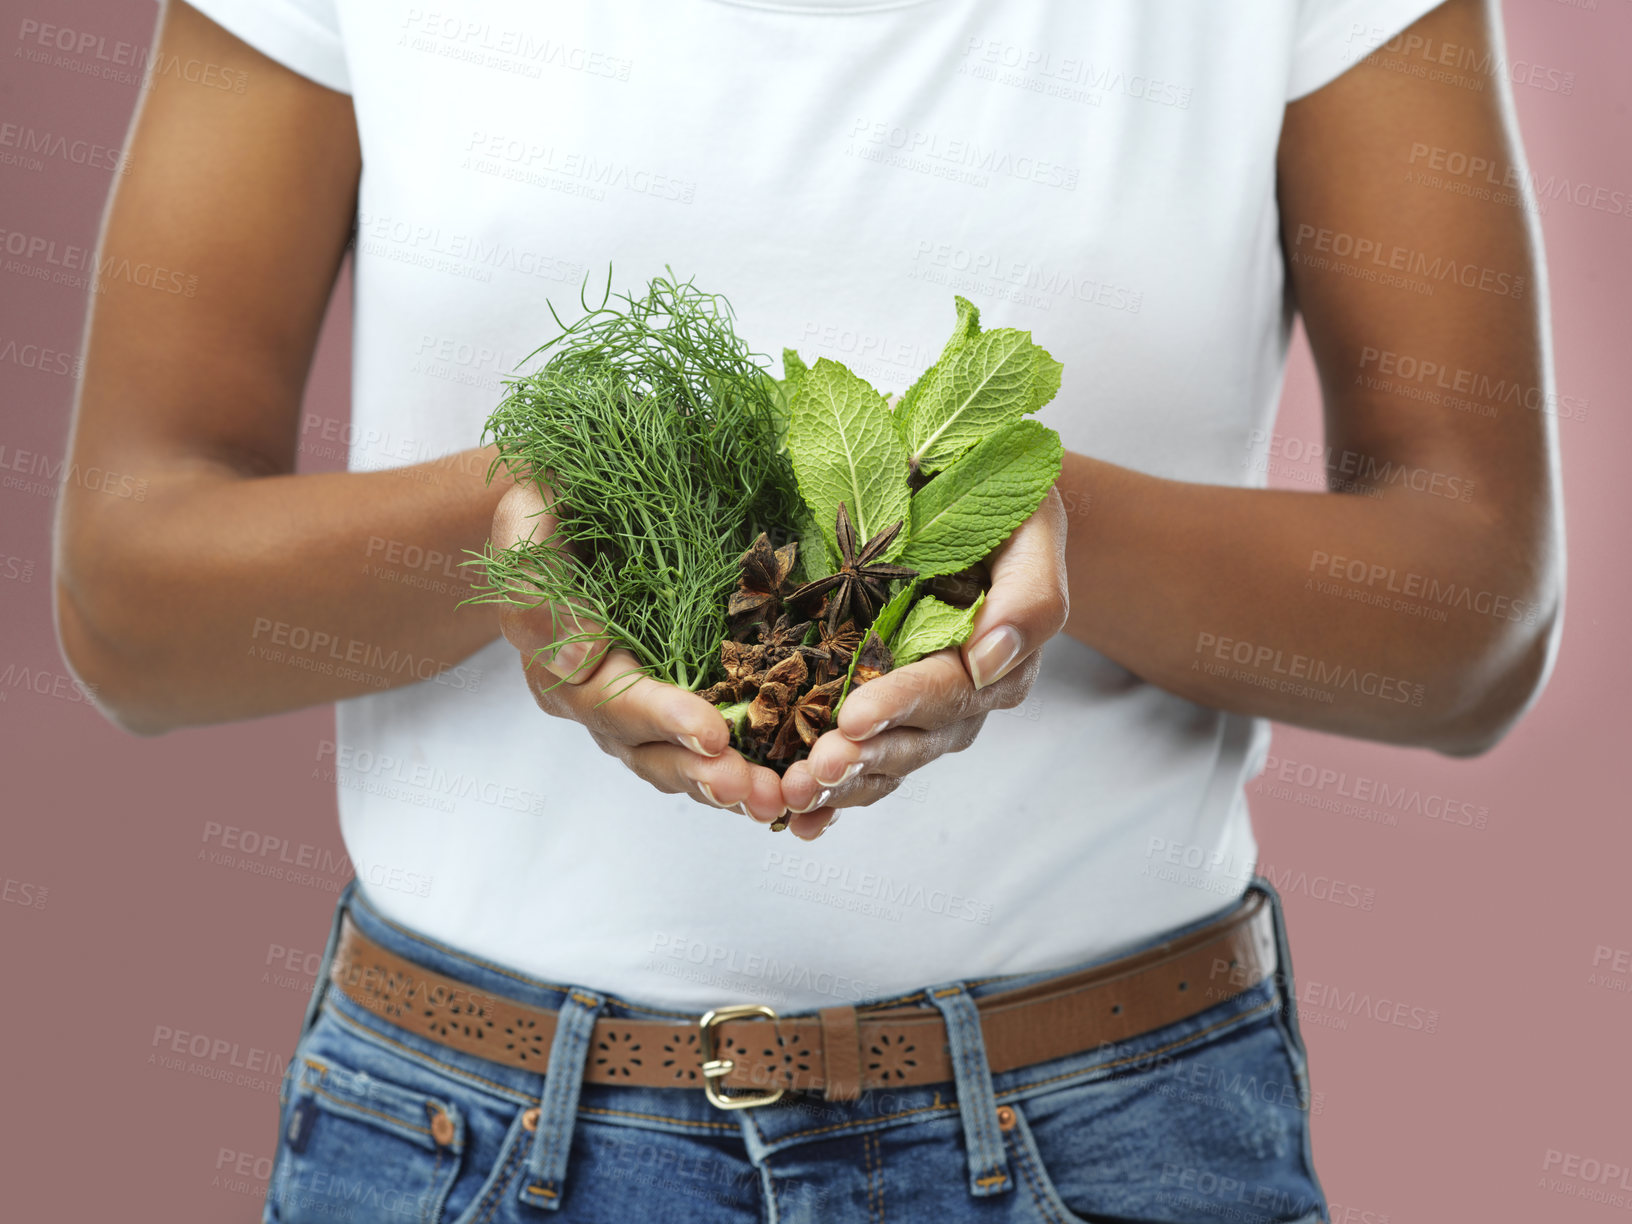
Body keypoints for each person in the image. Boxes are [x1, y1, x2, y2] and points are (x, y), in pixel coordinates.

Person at [56, 0, 1562, 1220]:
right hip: (467, 1132)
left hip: (1117, 1131)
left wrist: (1045, 527)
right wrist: (509, 532)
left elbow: (1472, 620)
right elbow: (132, 604)